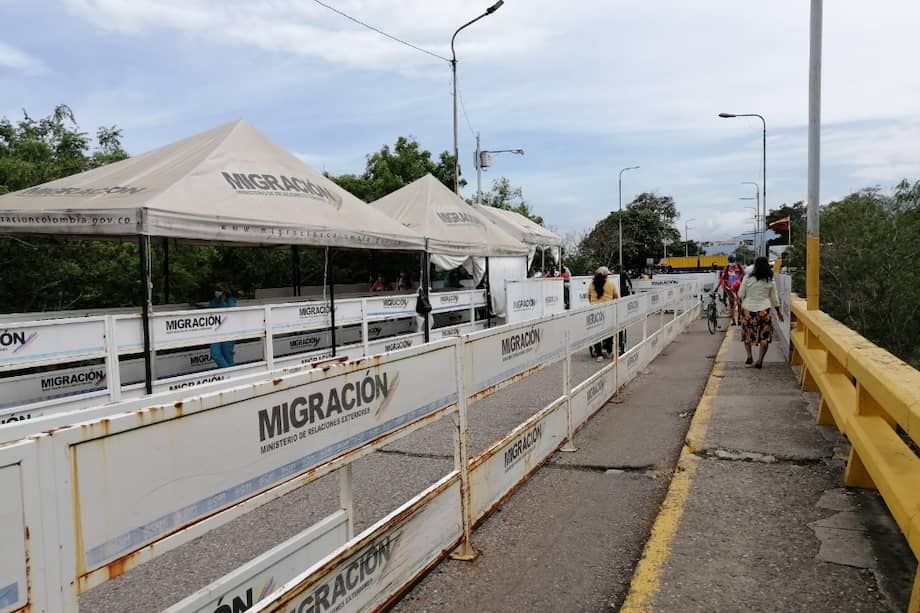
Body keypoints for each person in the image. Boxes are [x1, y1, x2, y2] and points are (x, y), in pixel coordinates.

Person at [738, 256, 785, 369]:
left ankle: (749, 356)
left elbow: (740, 294)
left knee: (747, 334)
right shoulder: (770, 280)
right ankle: (760, 360)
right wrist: (779, 312)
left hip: (748, 310)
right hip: (764, 310)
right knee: (765, 336)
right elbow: (774, 299)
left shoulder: (747, 278)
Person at [588, 266, 619, 361]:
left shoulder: (592, 285)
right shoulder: (611, 284)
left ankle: (599, 354)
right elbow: (616, 297)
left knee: (596, 333)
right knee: (609, 331)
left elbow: (589, 297)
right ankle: (609, 351)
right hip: (607, 310)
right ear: (606, 276)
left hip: (594, 311)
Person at [208, 283, 237, 369]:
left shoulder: (231, 301)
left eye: (219, 290)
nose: (216, 292)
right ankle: (230, 373)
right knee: (215, 353)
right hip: (216, 332)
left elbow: (230, 313)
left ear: (224, 292)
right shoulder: (213, 302)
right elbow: (208, 311)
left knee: (227, 355)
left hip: (229, 332)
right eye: (216, 290)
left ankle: (231, 377)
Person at [716, 254, 746, 326]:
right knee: (731, 304)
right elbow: (723, 278)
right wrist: (717, 287)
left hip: (738, 287)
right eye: (730, 261)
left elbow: (744, 275)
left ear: (735, 261)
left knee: (739, 304)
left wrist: (739, 278)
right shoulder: (727, 268)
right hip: (730, 288)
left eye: (732, 261)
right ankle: (733, 321)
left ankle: (739, 319)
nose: (731, 262)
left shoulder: (739, 267)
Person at [617, 268, 633, 356]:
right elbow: (629, 281)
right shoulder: (624, 273)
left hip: (619, 292)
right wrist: (631, 287)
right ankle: (622, 344)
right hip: (624, 293)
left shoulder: (614, 275)